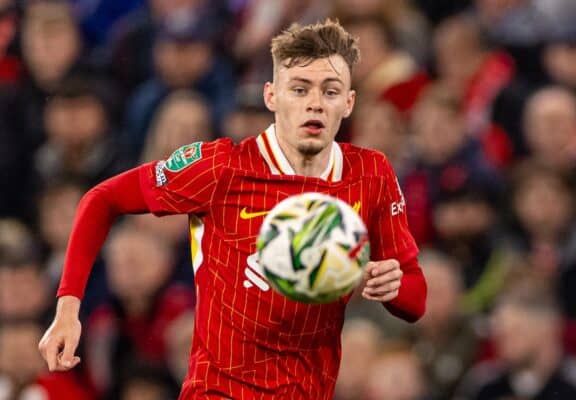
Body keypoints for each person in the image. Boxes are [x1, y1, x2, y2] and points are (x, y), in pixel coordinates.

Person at [38, 19, 427, 399]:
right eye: (300, 89)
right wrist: (67, 309)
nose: (314, 104)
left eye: (330, 91)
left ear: (349, 102)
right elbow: (101, 199)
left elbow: (415, 297)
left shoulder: (371, 174)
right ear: (271, 96)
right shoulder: (221, 168)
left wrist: (391, 287)